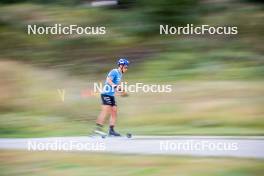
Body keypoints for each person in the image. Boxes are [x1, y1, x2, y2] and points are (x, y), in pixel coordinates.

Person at [94, 58, 129, 136]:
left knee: (114, 112)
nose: (126, 69)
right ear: (120, 66)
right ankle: (98, 130)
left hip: (111, 95)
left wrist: (122, 92)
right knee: (105, 111)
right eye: (125, 67)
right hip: (106, 94)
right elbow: (108, 80)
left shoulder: (120, 74)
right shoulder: (114, 71)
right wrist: (116, 87)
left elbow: (117, 85)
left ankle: (111, 131)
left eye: (127, 67)